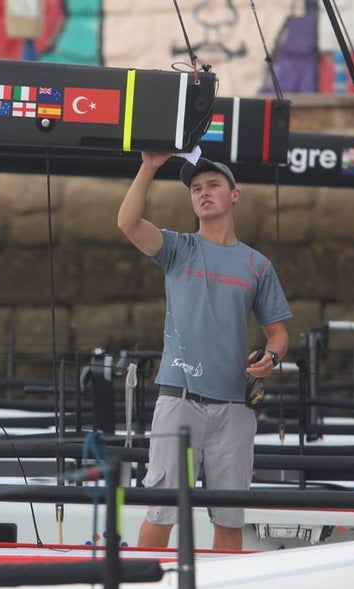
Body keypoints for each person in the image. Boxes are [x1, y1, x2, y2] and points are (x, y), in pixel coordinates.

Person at [117, 152, 292, 550]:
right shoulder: (177, 248)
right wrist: (148, 166)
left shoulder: (257, 265)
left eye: (213, 185)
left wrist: (272, 358)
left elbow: (278, 334)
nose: (203, 193)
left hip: (235, 406)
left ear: (235, 195)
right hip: (178, 400)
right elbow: (127, 223)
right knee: (161, 513)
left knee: (229, 522)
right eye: (196, 188)